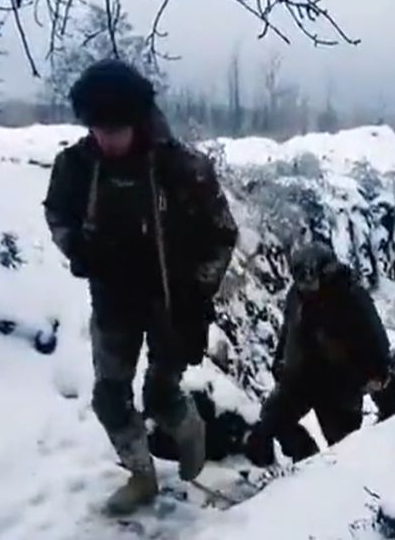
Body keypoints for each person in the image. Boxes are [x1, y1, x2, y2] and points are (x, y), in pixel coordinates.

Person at [43, 60, 238, 515]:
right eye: (97, 128)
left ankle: (190, 431)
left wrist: (198, 291)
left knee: (160, 392)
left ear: (138, 120)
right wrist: (78, 248)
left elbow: (222, 235)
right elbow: (57, 213)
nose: (106, 139)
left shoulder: (184, 168)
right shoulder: (75, 166)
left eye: (116, 128)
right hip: (113, 299)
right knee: (109, 395)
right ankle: (141, 474)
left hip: (174, 302)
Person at [245, 243, 390, 466]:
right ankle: (305, 463)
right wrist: (280, 361)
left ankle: (337, 485)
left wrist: (378, 373)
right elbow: (289, 330)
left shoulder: (349, 297)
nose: (304, 282)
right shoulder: (296, 297)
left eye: (309, 275)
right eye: (298, 275)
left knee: (344, 450)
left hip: (340, 385)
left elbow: (375, 335)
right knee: (271, 422)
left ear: (326, 271)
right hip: (300, 379)